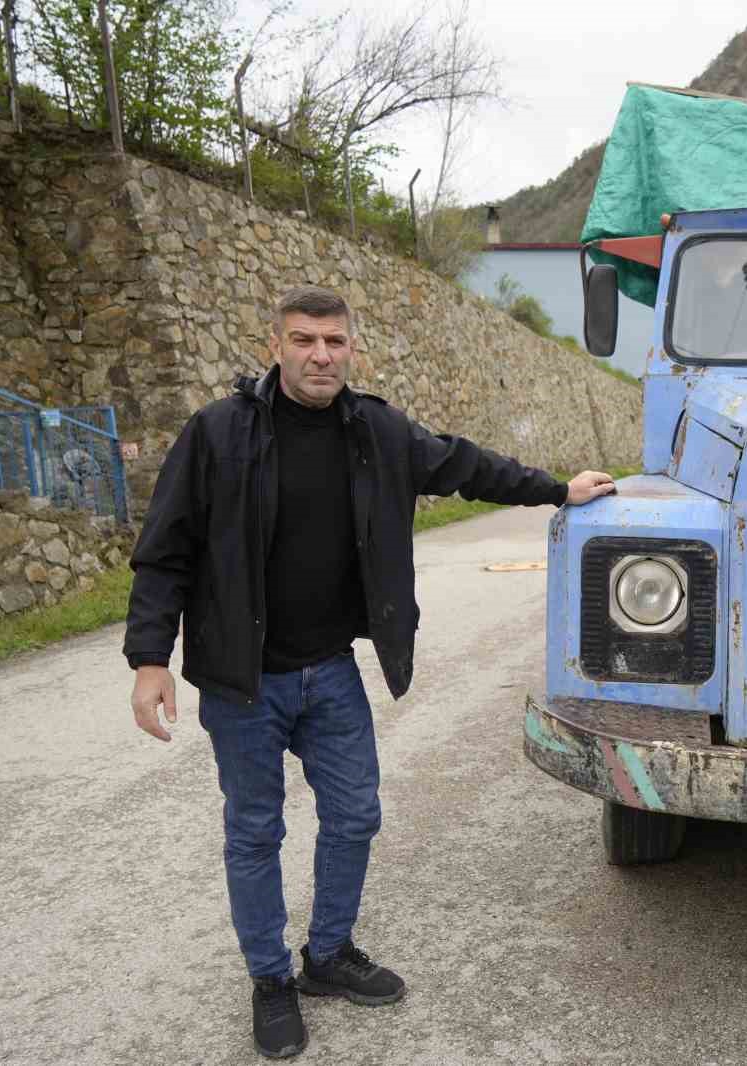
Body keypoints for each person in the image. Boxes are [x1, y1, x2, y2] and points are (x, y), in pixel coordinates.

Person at [123, 285, 616, 1059]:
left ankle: (327, 954)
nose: (320, 355)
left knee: (355, 814)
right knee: (254, 830)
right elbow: (166, 547)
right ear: (275, 346)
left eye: (334, 341)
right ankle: (270, 980)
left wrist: (559, 489)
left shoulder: (376, 431)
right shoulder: (218, 432)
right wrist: (151, 657)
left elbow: (463, 464)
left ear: (351, 348)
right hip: (242, 681)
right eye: (303, 340)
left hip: (330, 672)